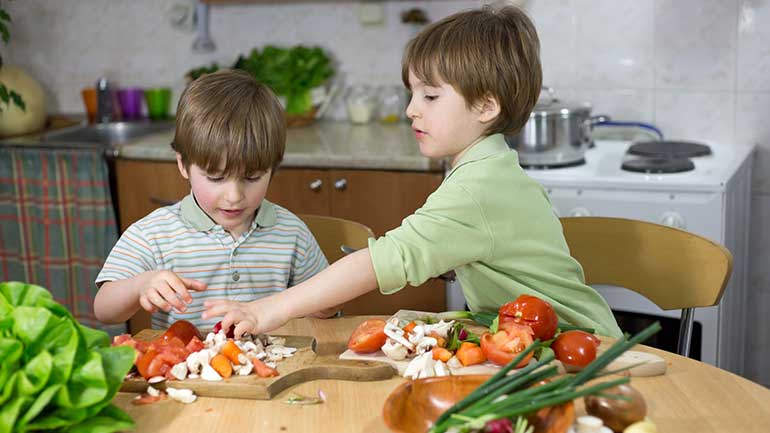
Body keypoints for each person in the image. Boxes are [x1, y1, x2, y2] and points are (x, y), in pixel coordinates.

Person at [202, 6, 623, 338]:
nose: (411, 109)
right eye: (412, 93)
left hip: (576, 349)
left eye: (431, 95)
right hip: (536, 341)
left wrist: (266, 309)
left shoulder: (479, 186)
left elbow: (386, 261)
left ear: (486, 106)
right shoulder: (489, 167)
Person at [93, 70, 333, 330]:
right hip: (189, 367)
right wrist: (140, 285)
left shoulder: (291, 232)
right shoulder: (155, 234)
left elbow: (329, 305)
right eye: (216, 178)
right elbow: (104, 310)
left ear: (273, 169)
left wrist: (318, 305)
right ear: (183, 165)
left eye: (251, 178)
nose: (234, 196)